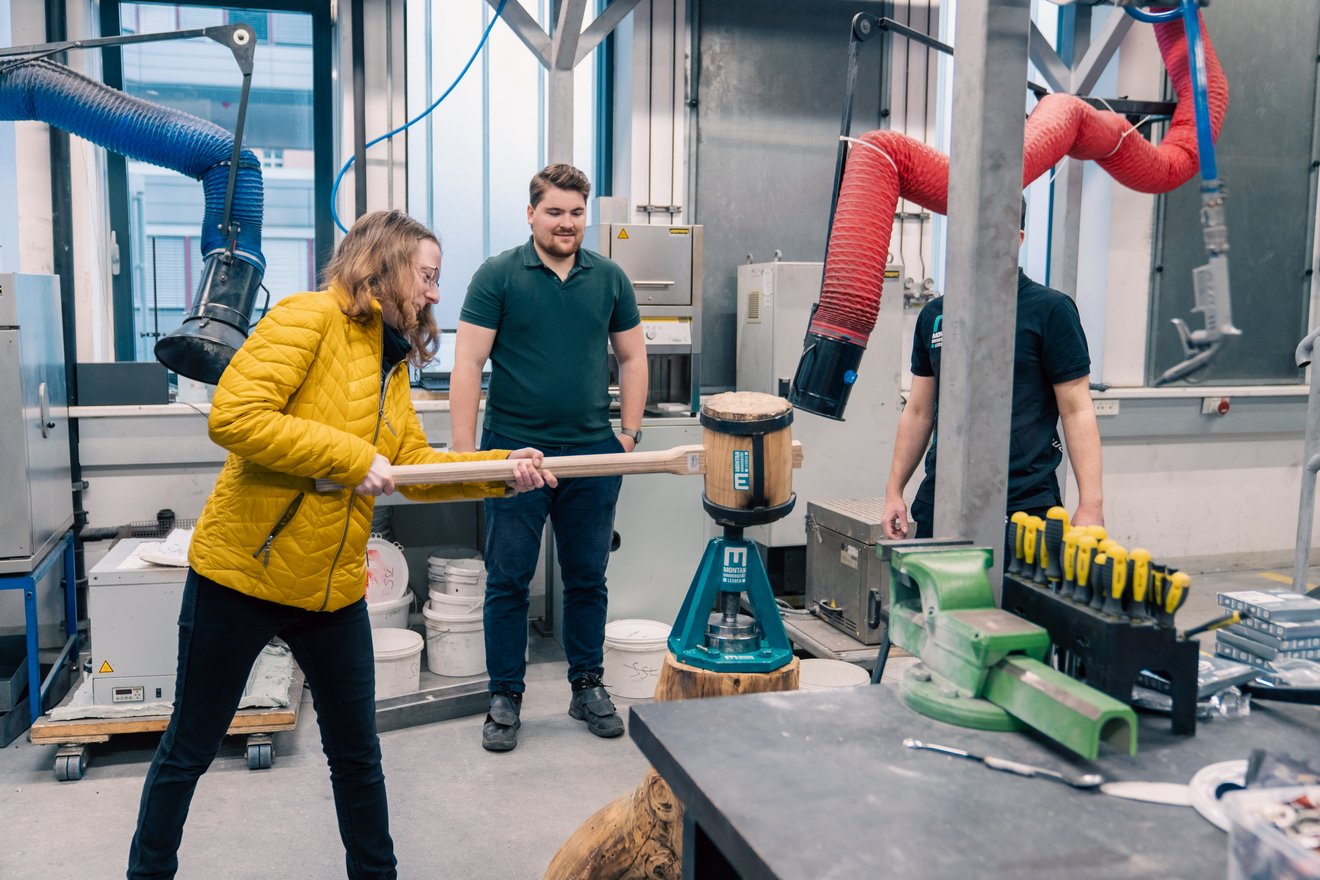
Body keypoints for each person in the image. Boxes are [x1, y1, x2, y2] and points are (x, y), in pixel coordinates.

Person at [126, 210, 555, 880]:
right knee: (190, 747)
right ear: (383, 266)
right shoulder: (307, 318)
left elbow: (409, 466)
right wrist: (349, 455)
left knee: (357, 755)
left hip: (328, 591)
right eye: (428, 276)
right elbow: (234, 416)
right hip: (241, 577)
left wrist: (502, 471)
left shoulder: (392, 360)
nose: (436, 294)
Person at [451, 163, 647, 753]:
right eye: (555, 211)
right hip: (514, 454)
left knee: (588, 576)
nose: (567, 223)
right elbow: (467, 365)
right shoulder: (498, 275)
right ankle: (505, 695)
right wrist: (467, 458)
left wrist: (628, 436)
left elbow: (634, 360)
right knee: (508, 580)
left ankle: (587, 685)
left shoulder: (609, 278)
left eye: (576, 212)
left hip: (592, 454)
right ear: (531, 213)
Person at [881, 201, 1104, 546]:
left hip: (1025, 508)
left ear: (1017, 239)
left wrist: (1091, 504)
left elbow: (1076, 409)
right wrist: (894, 490)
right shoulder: (936, 315)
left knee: (1016, 601)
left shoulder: (1050, 311)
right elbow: (919, 410)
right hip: (941, 501)